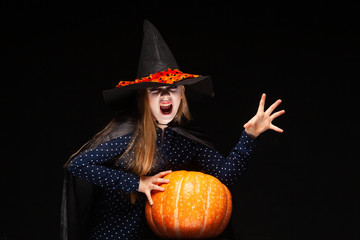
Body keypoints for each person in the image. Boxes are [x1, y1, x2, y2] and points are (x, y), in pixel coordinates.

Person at [60, 20, 285, 240]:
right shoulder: (128, 137)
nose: (165, 96)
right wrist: (137, 183)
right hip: (111, 234)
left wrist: (250, 136)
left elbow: (224, 176)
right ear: (144, 99)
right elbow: (77, 165)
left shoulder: (186, 140)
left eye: (172, 89)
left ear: (181, 95)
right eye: (156, 91)